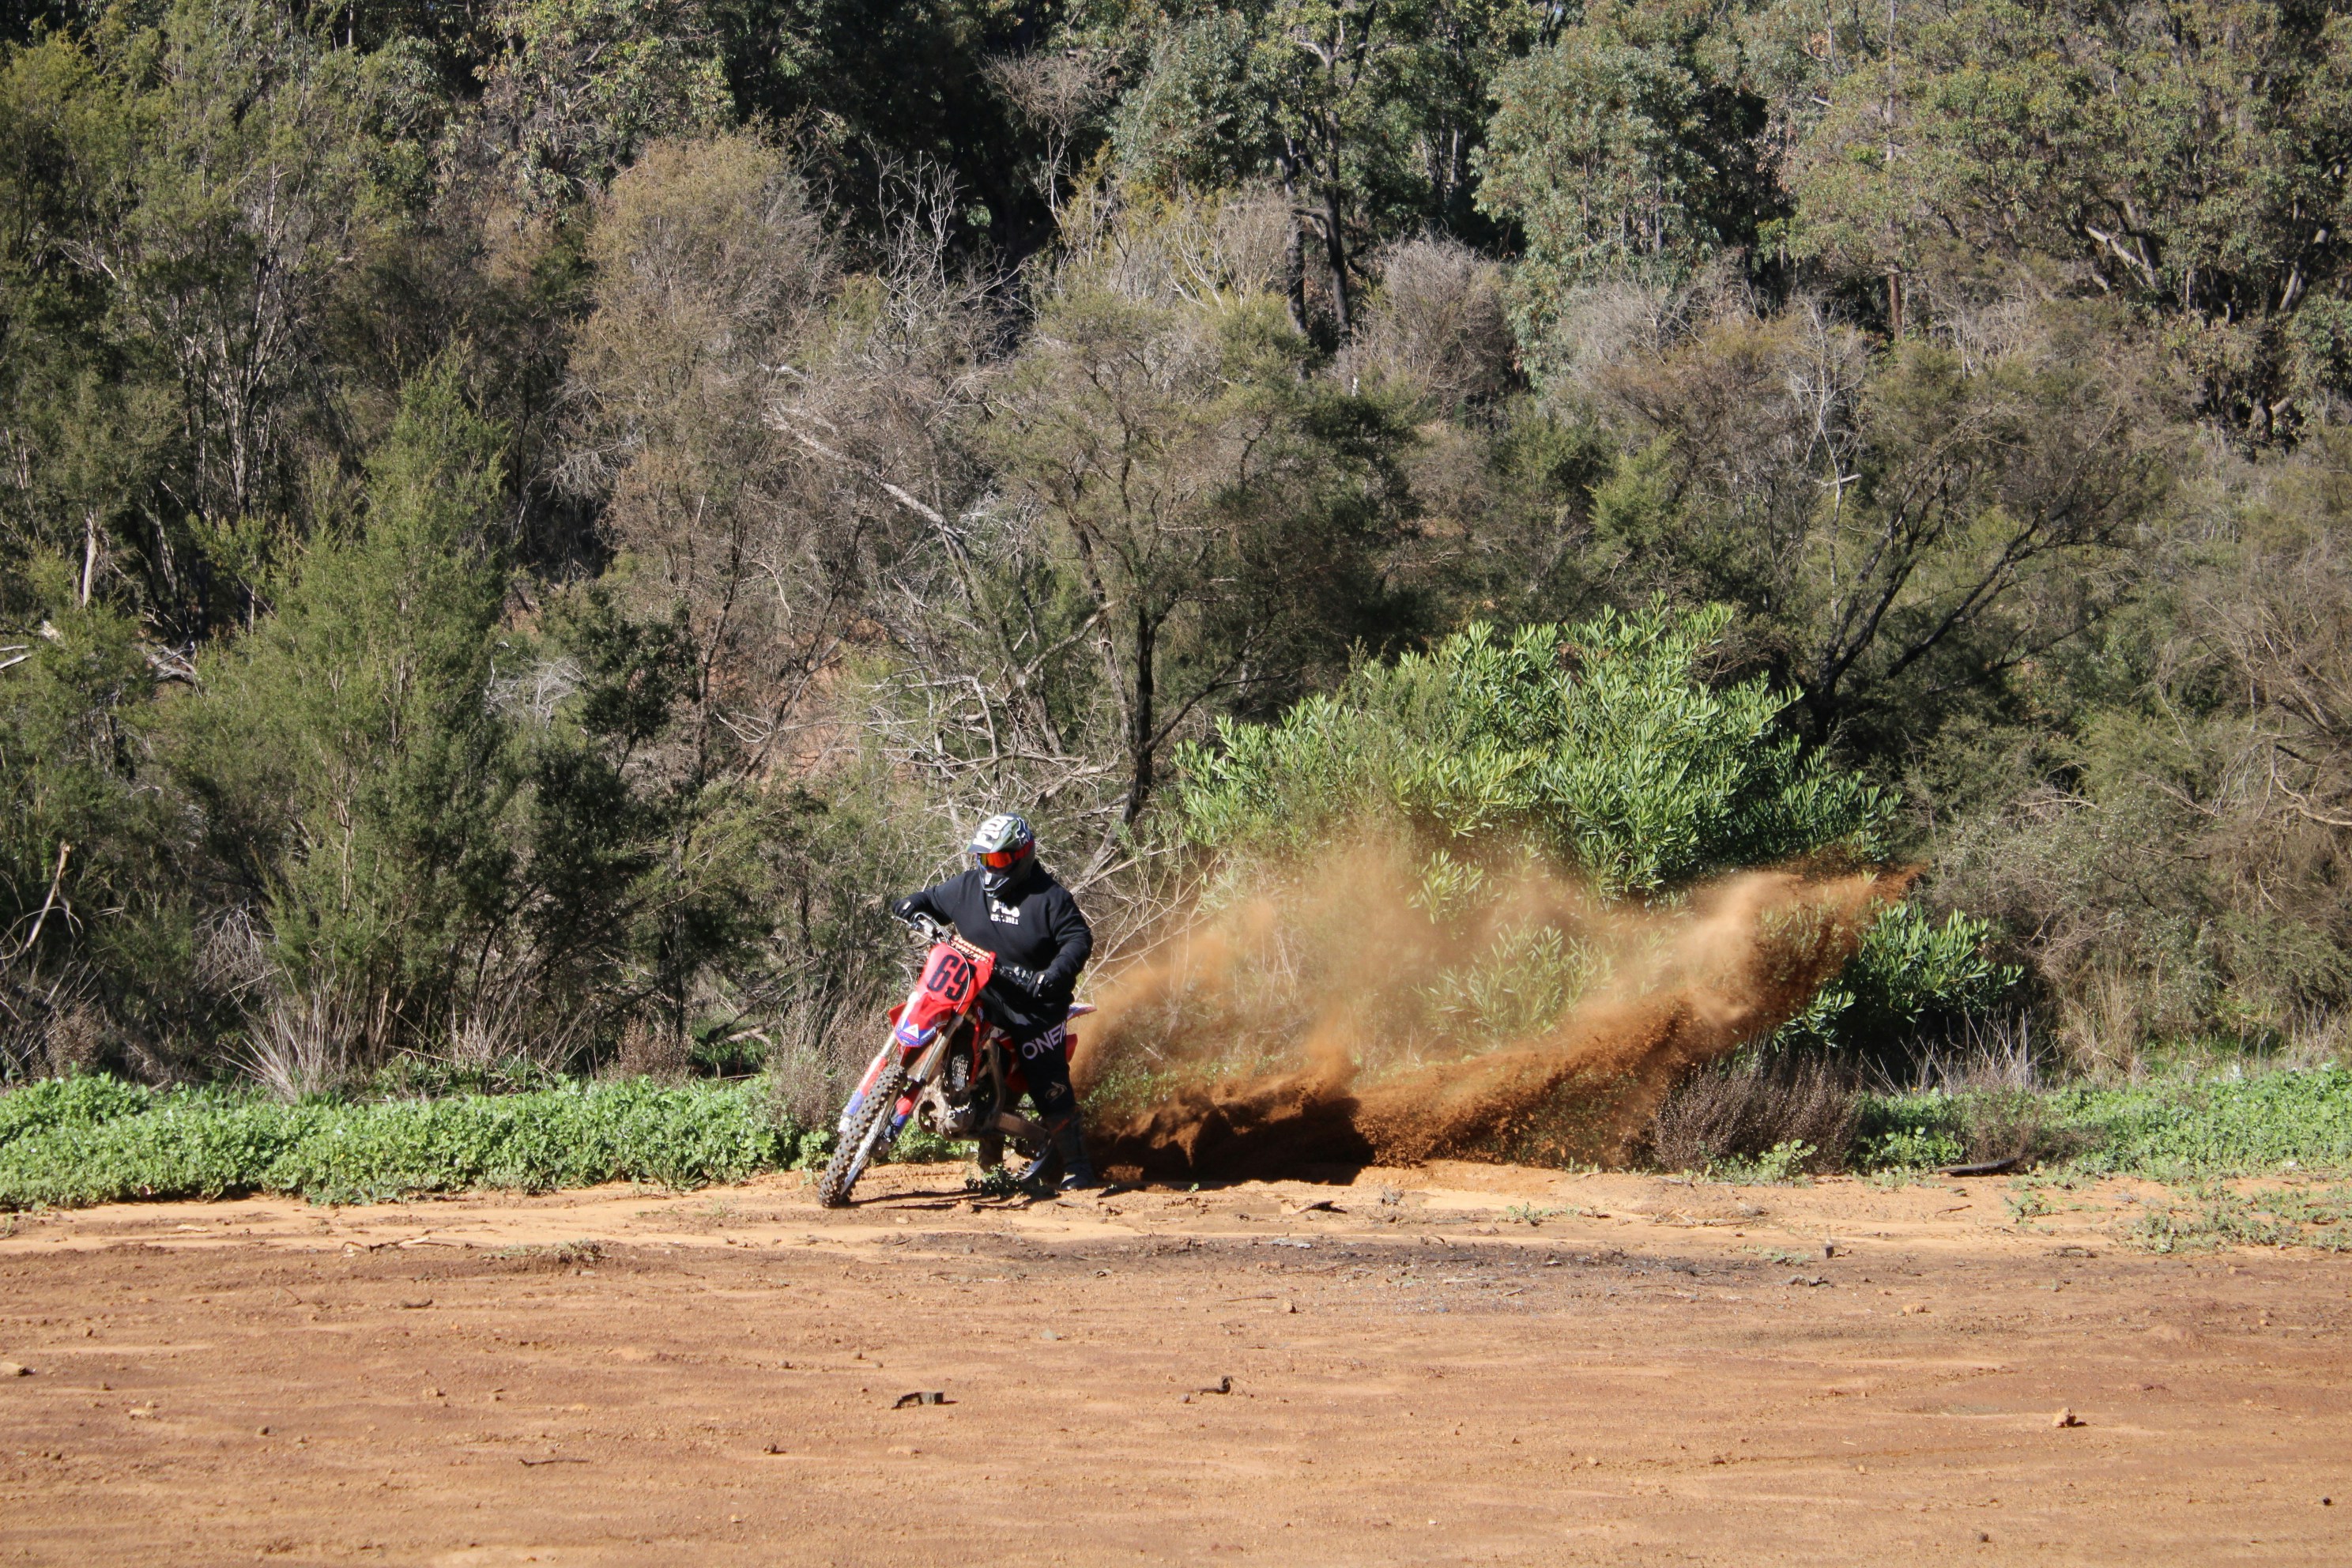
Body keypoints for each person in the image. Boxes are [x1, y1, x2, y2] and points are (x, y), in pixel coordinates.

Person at [890, 812, 1099, 1191]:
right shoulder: (969, 887)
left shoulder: (1050, 898)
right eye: (984, 859)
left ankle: (1077, 1166)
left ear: (1022, 856)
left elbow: (1077, 940)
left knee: (1045, 1077)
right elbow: (931, 899)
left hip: (1031, 1004)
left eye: (999, 860)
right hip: (977, 991)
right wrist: (910, 905)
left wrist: (1050, 977)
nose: (990, 868)